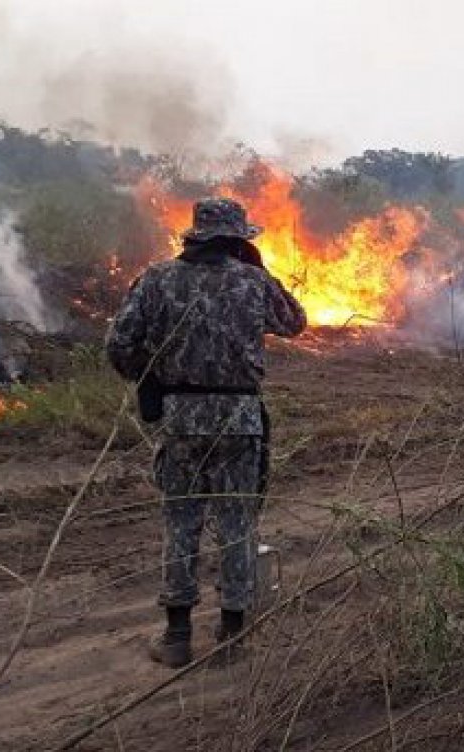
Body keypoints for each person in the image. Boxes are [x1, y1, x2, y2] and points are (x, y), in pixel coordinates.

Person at [106, 197, 307, 667]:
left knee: (181, 523)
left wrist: (147, 376)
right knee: (237, 525)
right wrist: (259, 268)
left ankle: (177, 637)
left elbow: (119, 343)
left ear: (196, 236)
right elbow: (295, 322)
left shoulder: (156, 279)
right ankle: (232, 637)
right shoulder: (252, 282)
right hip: (239, 419)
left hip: (181, 418)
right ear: (237, 239)